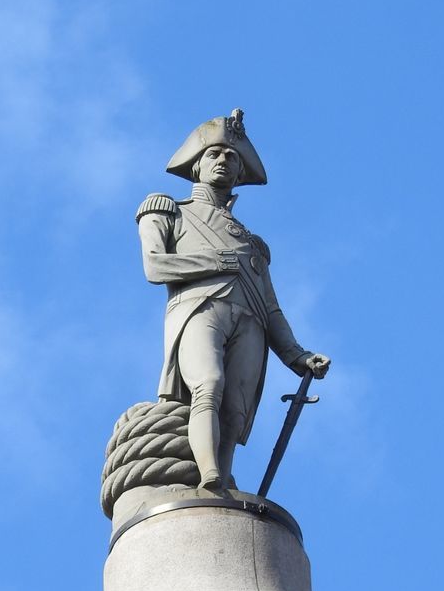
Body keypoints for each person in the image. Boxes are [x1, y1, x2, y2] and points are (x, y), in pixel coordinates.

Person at [136, 109, 330, 492]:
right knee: (208, 384)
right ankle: (208, 476)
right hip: (199, 308)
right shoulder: (168, 210)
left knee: (235, 412)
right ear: (196, 165)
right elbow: (155, 267)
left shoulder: (254, 244)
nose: (223, 160)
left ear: (240, 172)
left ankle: (221, 482)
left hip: (251, 322)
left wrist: (297, 355)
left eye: (231, 157)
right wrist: (214, 261)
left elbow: (271, 307)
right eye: (214, 154)